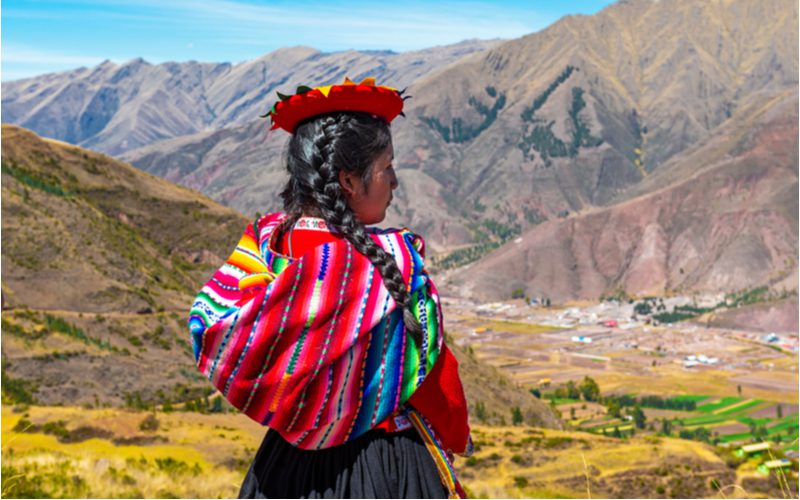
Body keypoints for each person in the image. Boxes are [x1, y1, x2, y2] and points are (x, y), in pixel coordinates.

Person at [189, 77, 471, 499]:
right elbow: (434, 380)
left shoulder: (265, 248)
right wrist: (456, 434)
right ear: (349, 182)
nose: (394, 181)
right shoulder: (390, 263)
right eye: (387, 167)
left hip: (284, 469)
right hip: (385, 466)